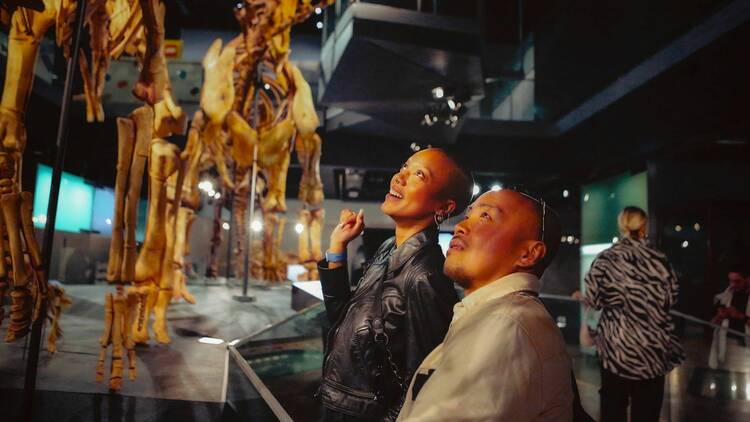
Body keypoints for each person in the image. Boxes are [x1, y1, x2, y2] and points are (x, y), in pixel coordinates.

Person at [317, 148, 473, 421]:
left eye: (419, 175)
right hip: (336, 409)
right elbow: (340, 320)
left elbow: (423, 385)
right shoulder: (389, 249)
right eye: (404, 167)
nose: (399, 177)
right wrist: (337, 247)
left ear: (444, 207)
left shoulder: (425, 276)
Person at [397, 188, 574, 421]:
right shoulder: (499, 316)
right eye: (469, 215)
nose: (460, 226)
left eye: (486, 217)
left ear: (529, 254)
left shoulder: (505, 326)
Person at [579, 206, 684, 422]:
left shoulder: (606, 260)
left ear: (622, 226)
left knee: (613, 410)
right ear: (644, 226)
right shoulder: (660, 260)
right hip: (653, 351)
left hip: (616, 350)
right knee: (646, 413)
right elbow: (671, 299)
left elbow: (594, 300)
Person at [709, 264, 750, 367]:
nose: (732, 285)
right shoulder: (724, 296)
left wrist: (740, 316)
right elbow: (712, 324)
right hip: (727, 344)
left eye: (737, 281)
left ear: (748, 279)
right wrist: (720, 315)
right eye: (730, 281)